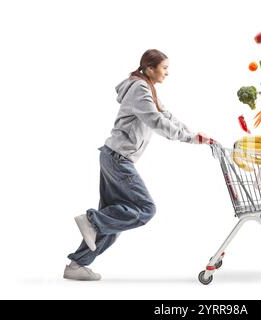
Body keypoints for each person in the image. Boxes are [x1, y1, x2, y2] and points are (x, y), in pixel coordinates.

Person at [64, 49, 215, 281]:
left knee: (113, 222)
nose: (167, 73)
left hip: (113, 156)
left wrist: (194, 135)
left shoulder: (147, 87)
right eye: (164, 68)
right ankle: (91, 220)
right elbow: (155, 121)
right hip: (118, 159)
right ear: (150, 68)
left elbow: (166, 115)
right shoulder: (139, 89)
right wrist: (190, 139)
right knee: (146, 209)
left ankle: (76, 264)